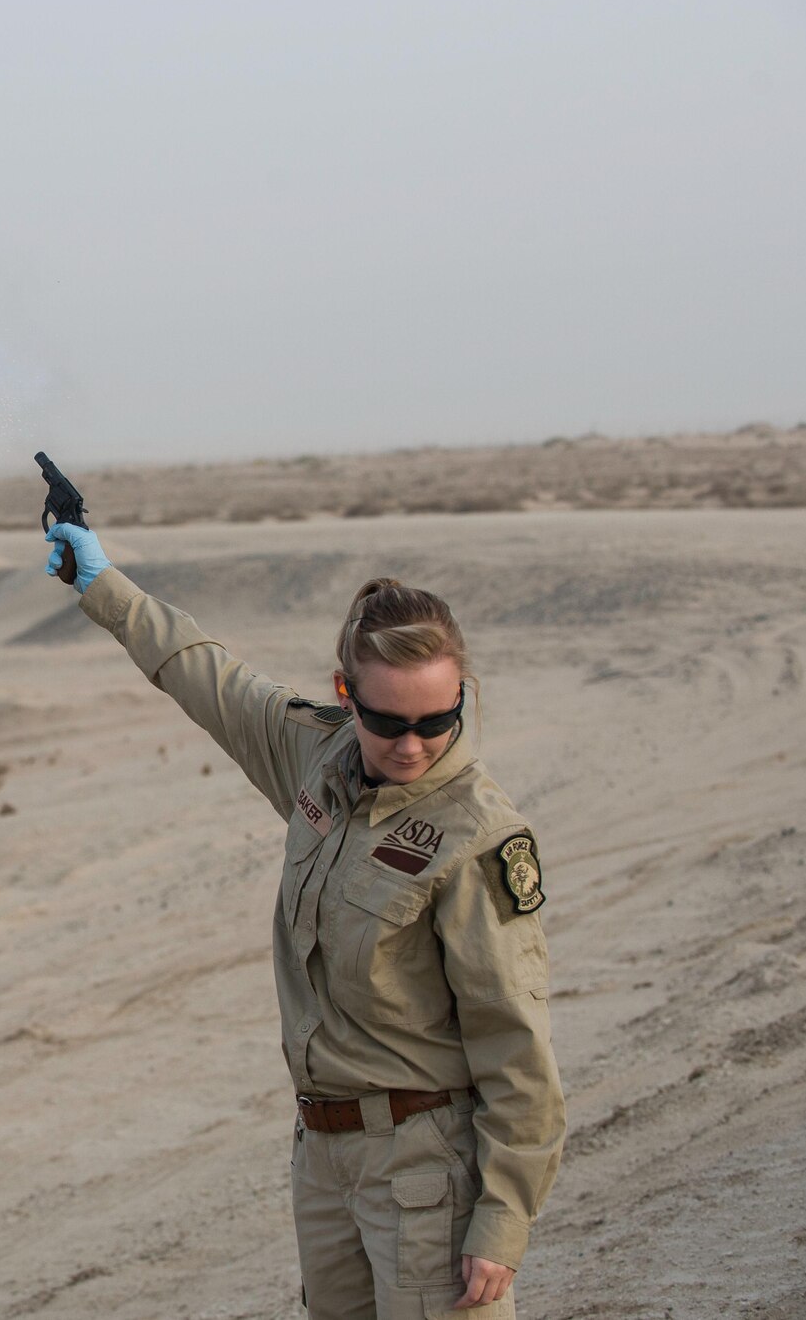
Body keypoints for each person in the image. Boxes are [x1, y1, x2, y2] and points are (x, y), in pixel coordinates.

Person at [44, 521, 564, 1319]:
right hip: (323, 1156)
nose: (414, 744)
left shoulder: (478, 837)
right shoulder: (320, 756)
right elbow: (207, 677)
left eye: (438, 718)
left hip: (426, 1168)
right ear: (346, 691)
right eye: (389, 721)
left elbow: (516, 1045)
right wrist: (101, 582)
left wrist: (502, 1219)